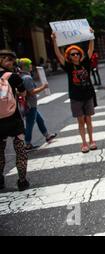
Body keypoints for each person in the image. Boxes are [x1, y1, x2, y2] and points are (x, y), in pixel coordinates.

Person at [52, 31, 97, 154]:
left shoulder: (85, 63)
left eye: (77, 53)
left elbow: (90, 48)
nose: (76, 55)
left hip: (88, 95)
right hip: (76, 97)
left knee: (89, 119)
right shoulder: (68, 66)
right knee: (81, 121)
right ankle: (84, 143)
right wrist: (54, 40)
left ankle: (92, 140)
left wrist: (91, 36)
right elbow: (58, 54)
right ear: (69, 56)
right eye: (73, 54)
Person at [0, 50, 30, 191]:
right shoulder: (13, 77)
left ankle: (0, 180)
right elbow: (23, 93)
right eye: (11, 61)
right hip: (13, 119)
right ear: (5, 60)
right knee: (20, 150)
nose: (12, 64)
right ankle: (22, 181)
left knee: (0, 151)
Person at [18, 58, 57, 150]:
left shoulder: (22, 76)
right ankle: (27, 143)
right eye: (30, 65)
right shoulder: (27, 78)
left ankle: (47, 136)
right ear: (25, 66)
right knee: (29, 124)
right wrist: (43, 87)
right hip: (30, 105)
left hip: (30, 104)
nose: (31, 66)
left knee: (40, 120)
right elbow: (32, 92)